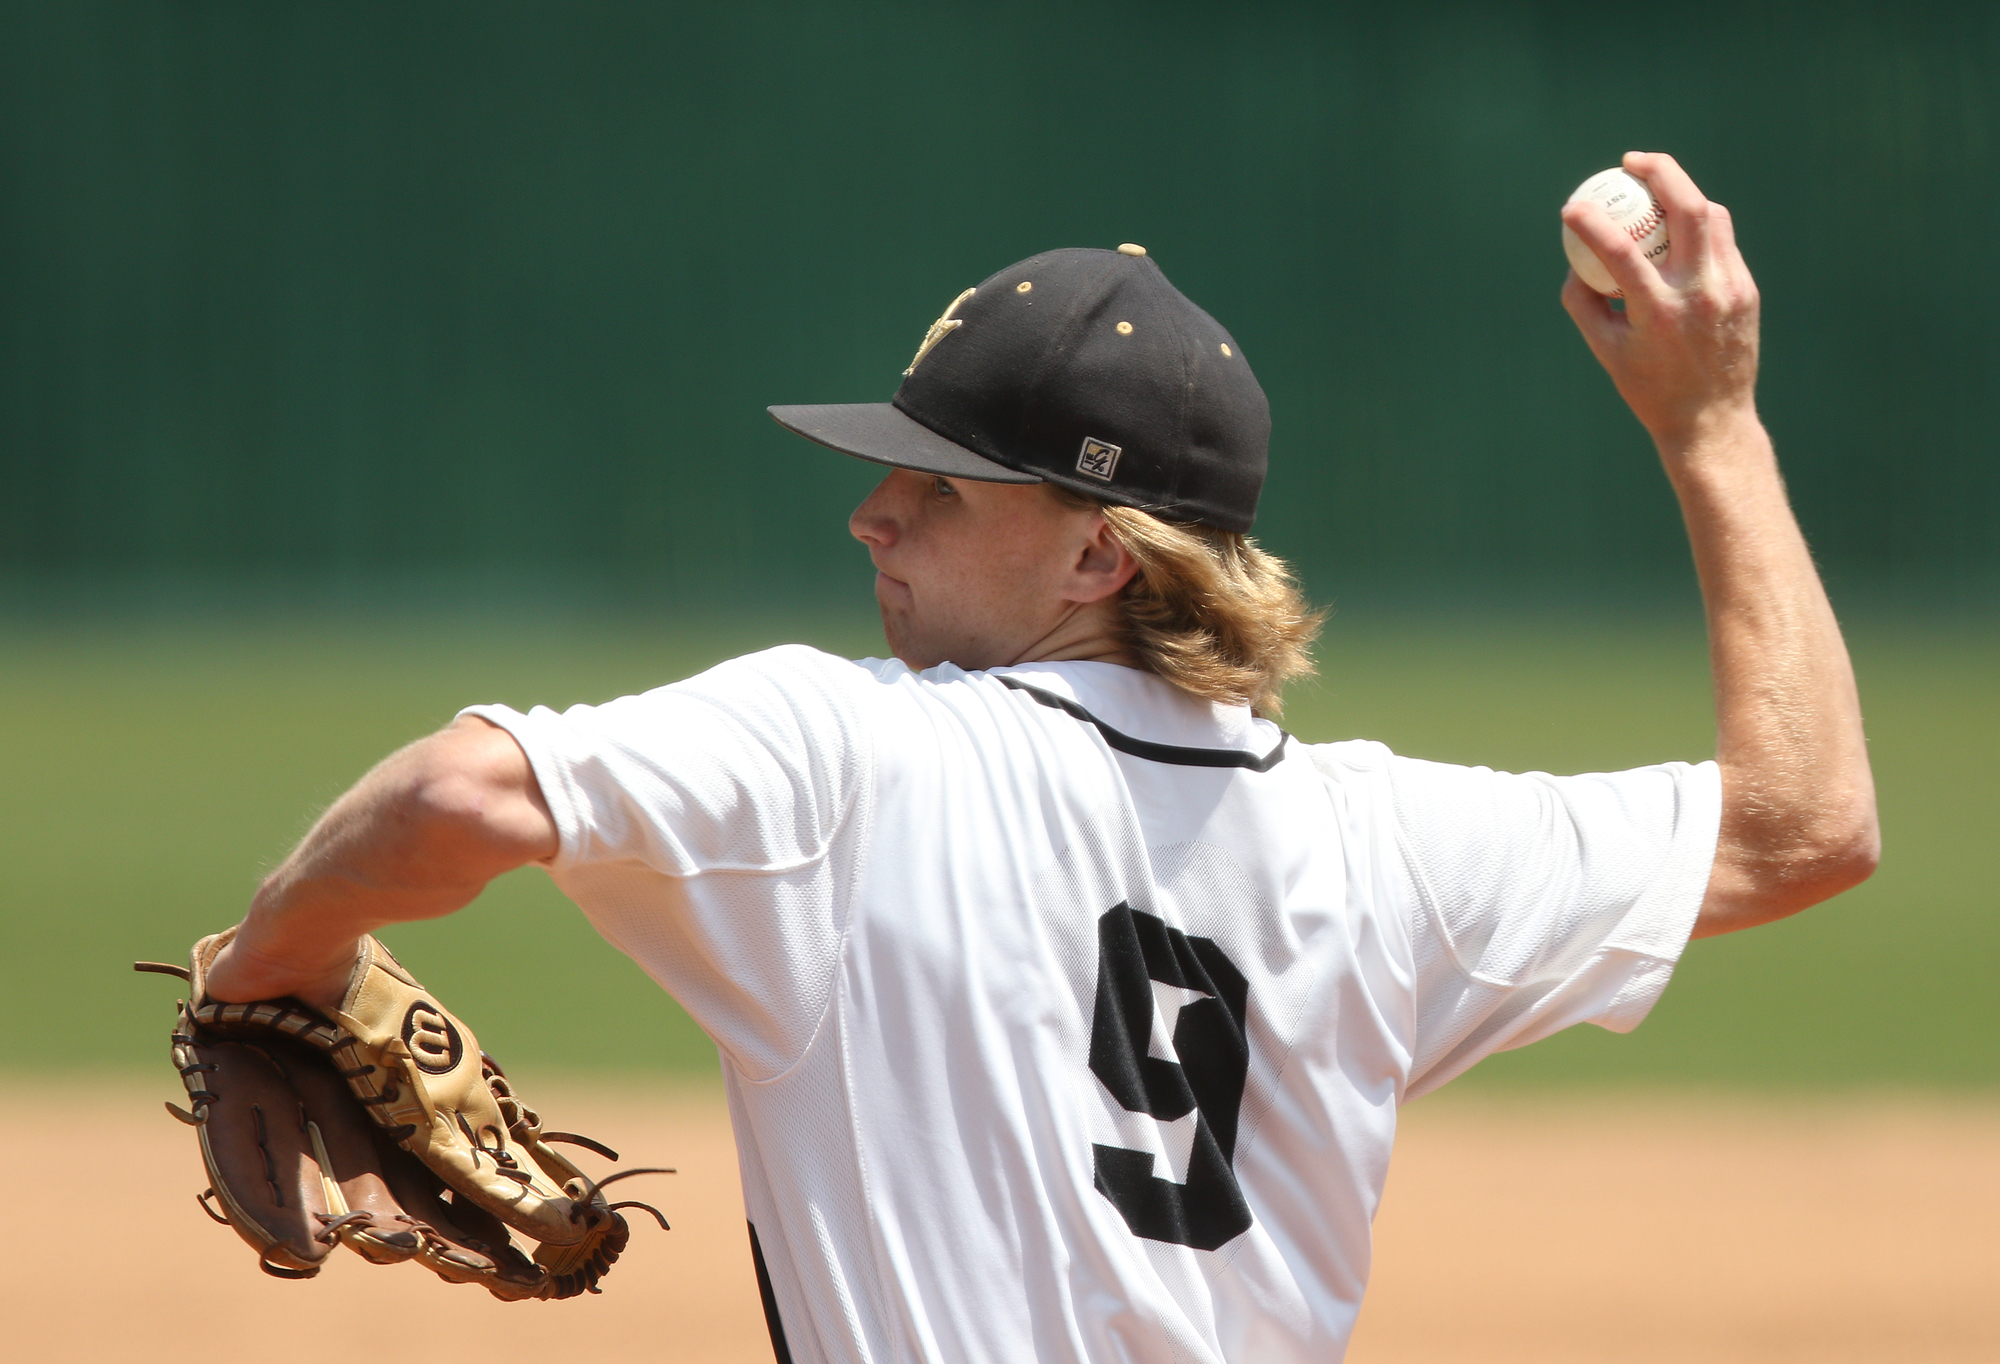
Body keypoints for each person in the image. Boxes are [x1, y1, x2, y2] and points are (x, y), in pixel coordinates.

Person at [204, 152, 1877, 1362]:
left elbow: (451, 796)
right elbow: (1806, 832)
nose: (873, 510)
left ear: (1104, 559)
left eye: (940, 486)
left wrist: (270, 966)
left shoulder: (845, 754)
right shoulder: (1389, 852)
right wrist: (1711, 427)